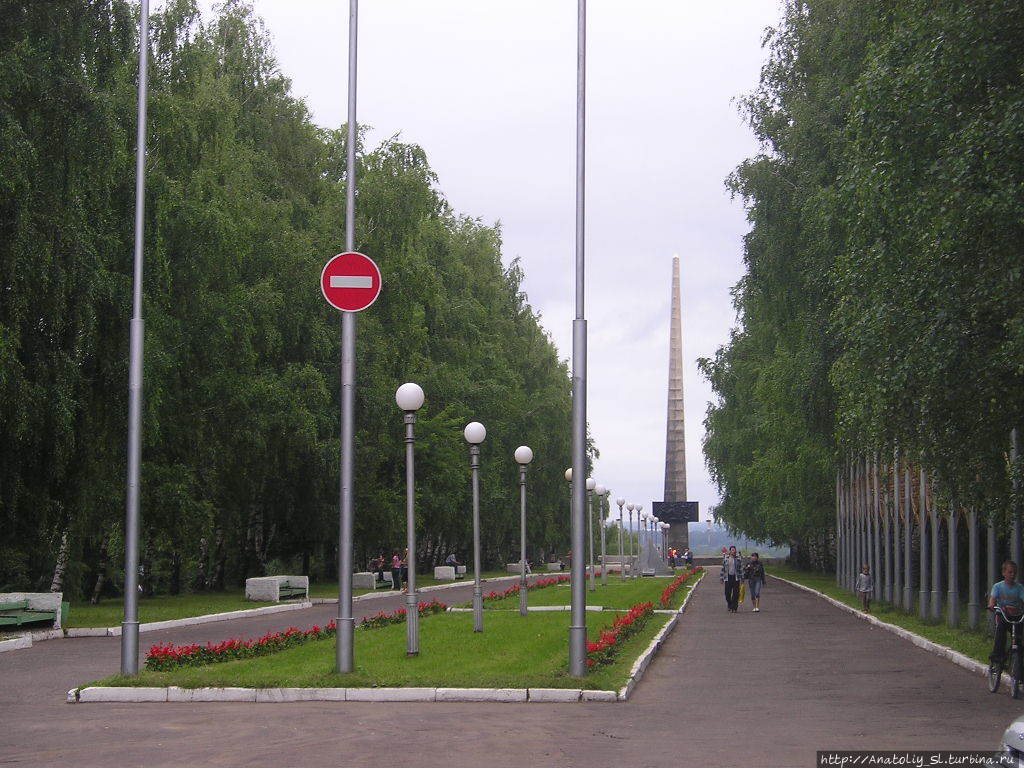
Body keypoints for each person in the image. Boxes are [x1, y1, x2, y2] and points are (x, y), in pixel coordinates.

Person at [989, 560, 1024, 671]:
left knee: (1019, 639)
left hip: (1016, 616)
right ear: (1004, 573)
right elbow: (993, 599)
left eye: (1014, 572)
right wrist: (991, 605)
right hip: (1003, 615)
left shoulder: (1019, 588)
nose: (1012, 575)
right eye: (1010, 572)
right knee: (1000, 635)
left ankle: (1019, 667)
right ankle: (998, 659)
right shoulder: (998, 587)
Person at [721, 545, 743, 613]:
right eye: (732, 550)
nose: (733, 551)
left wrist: (742, 578)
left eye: (734, 550)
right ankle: (729, 604)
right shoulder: (726, 558)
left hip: (736, 578)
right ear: (730, 551)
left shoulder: (738, 559)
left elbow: (741, 568)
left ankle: (734, 607)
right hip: (728, 577)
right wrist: (721, 577)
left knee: (736, 593)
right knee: (727, 593)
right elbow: (723, 568)